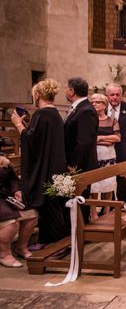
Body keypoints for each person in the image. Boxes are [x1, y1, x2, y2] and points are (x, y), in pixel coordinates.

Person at [11, 79, 68, 251]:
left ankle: (54, 245)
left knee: (49, 208)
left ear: (37, 95)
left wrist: (18, 124)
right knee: (54, 207)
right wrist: (27, 128)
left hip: (46, 170)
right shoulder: (55, 114)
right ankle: (51, 242)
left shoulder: (41, 114)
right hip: (55, 167)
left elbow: (31, 140)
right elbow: (38, 138)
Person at [0, 154, 37, 267]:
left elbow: (13, 179)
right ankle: (4, 254)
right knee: (11, 221)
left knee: (31, 214)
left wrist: (17, 190)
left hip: (6, 196)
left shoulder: (3, 160)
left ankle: (21, 247)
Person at [89, 93, 121, 220]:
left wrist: (100, 138)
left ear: (104, 105)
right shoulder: (91, 120)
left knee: (109, 182)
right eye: (93, 102)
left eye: (97, 102)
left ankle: (107, 210)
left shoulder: (112, 120)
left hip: (109, 155)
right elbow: (90, 139)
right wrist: (108, 139)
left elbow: (117, 138)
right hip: (95, 154)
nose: (94, 104)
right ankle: (93, 212)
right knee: (94, 185)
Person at [64, 76, 99, 175]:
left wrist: (73, 165)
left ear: (72, 91)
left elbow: (84, 143)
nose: (64, 91)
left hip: (80, 167)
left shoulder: (86, 110)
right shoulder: (80, 108)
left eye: (66, 88)